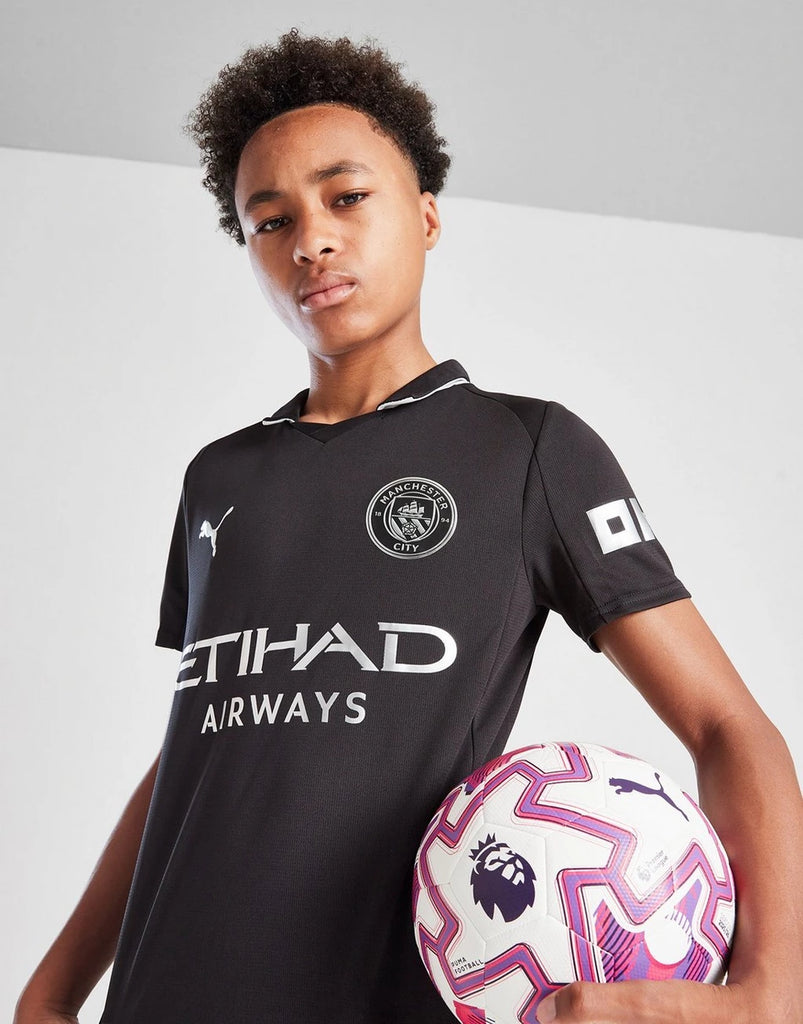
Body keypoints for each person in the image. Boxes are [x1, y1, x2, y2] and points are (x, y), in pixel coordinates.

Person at [14, 26, 802, 1024]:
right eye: (270, 220)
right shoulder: (218, 478)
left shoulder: (525, 451)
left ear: (426, 216)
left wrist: (774, 990)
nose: (310, 240)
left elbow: (726, 726)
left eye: (345, 197)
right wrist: (51, 991)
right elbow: (202, 750)